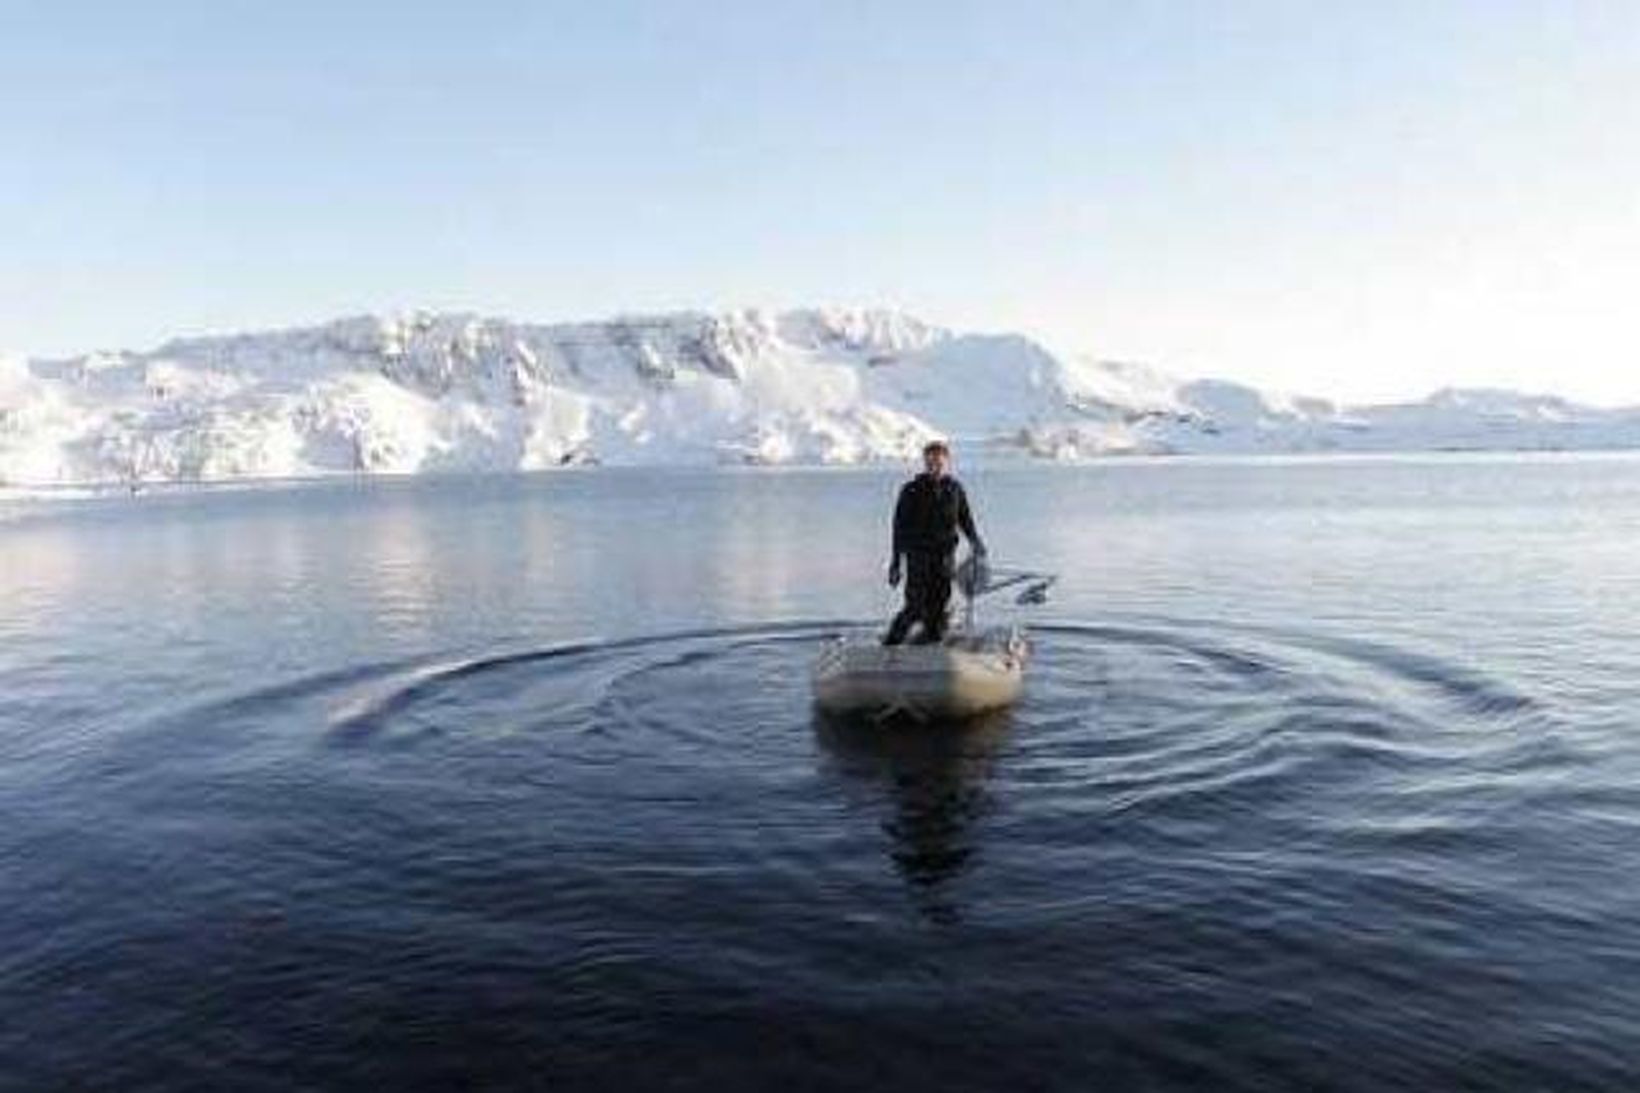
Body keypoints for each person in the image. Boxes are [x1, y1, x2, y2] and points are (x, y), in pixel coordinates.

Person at [883, 440, 986, 645]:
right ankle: (889, 645)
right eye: (930, 464)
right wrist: (895, 563)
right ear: (924, 463)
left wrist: (976, 542)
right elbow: (898, 529)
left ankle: (928, 646)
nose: (934, 468)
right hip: (918, 556)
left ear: (947, 463)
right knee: (915, 607)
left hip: (945, 557)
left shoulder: (955, 489)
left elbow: (965, 519)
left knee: (938, 607)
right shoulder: (911, 490)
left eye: (939, 463)